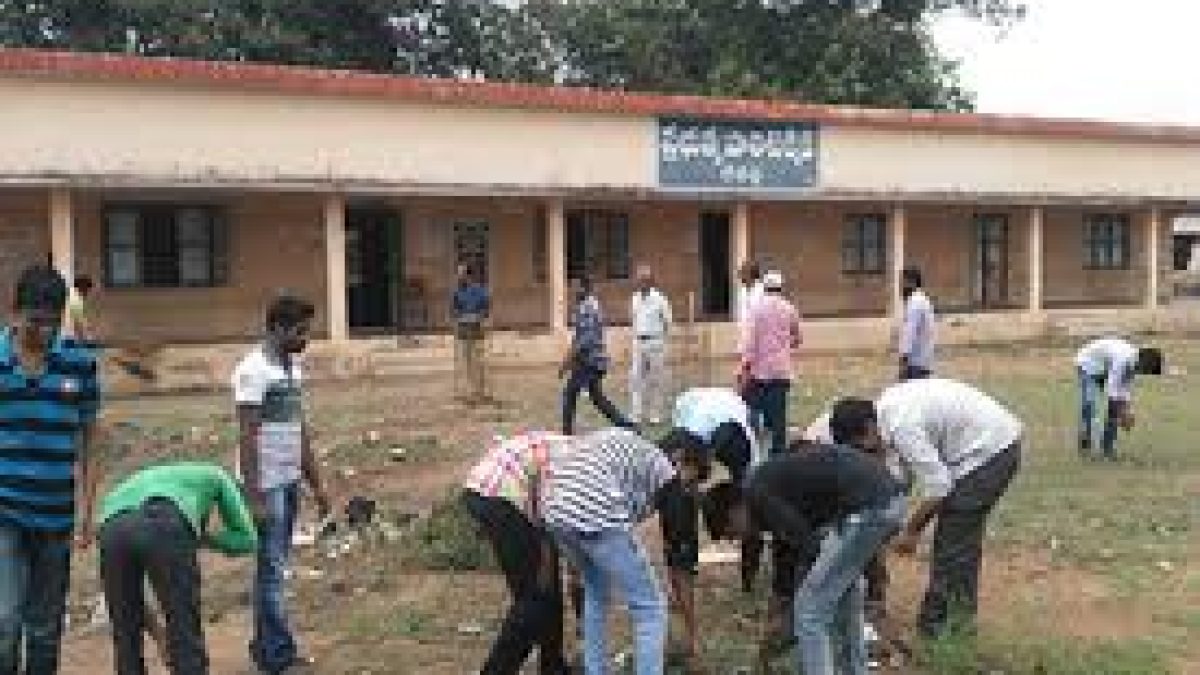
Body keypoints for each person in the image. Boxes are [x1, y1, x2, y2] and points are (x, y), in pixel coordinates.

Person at [701, 399, 906, 675]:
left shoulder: (758, 491)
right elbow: (791, 550)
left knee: (809, 612)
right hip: (883, 502)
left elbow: (807, 545)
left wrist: (791, 604)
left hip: (869, 507)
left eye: (730, 532)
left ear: (734, 509)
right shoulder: (768, 492)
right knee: (845, 600)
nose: (738, 537)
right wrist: (782, 601)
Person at [0, 264, 101, 674]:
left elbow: (92, 441)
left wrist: (86, 512)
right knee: (5, 623)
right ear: (15, 313)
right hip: (4, 511)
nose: (44, 332)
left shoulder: (78, 363)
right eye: (35, 322)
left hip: (56, 515)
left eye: (52, 323)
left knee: (44, 630)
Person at [541, 428, 697, 675]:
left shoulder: (633, 455)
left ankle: (596, 669)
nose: (687, 488)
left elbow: (627, 523)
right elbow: (674, 530)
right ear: (679, 458)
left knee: (596, 590)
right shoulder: (661, 465)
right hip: (592, 511)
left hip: (554, 511)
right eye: (692, 478)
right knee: (650, 608)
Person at [233, 292, 331, 674]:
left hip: (287, 480)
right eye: (299, 332)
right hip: (267, 486)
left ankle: (269, 648)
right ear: (276, 328)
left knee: (275, 568)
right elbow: (247, 434)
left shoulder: (291, 370)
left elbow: (298, 429)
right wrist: (254, 494)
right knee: (271, 571)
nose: (305, 339)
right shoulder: (252, 371)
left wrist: (317, 484)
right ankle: (277, 656)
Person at [877, 378, 1022, 637]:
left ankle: (943, 628)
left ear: (868, 432)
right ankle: (956, 619)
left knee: (953, 541)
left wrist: (911, 531)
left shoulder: (901, 427)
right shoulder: (886, 409)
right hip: (991, 439)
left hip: (990, 452)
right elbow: (903, 474)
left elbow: (938, 487)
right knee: (960, 541)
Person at [98, 462, 258, 674]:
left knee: (125, 632)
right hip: (166, 521)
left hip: (112, 528)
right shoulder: (218, 476)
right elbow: (247, 539)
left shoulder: (140, 481)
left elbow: (134, 603)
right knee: (184, 629)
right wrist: (207, 539)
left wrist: (161, 637)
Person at [461, 431, 575, 675]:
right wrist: (551, 554)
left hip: (484, 489)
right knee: (536, 596)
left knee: (547, 588)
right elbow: (547, 512)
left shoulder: (569, 450)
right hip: (498, 497)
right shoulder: (574, 463)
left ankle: (553, 665)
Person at [739, 270, 801, 455]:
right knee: (779, 417)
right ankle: (778, 454)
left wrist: (745, 366)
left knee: (752, 410)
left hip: (759, 371)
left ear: (765, 288)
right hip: (781, 371)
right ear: (781, 288)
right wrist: (783, 346)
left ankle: (753, 449)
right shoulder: (790, 308)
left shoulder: (756, 309)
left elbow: (750, 341)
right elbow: (798, 338)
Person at [559, 277, 631, 434]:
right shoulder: (587, 305)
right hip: (589, 360)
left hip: (590, 361)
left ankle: (566, 432)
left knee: (570, 393)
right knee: (597, 398)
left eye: (576, 287)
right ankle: (626, 425)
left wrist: (567, 361)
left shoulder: (588, 308)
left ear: (585, 289)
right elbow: (580, 336)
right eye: (571, 286)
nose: (572, 290)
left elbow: (584, 340)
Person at [1074, 337, 1163, 460]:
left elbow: (1124, 389)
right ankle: (1085, 444)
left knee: (1114, 410)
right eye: (1146, 371)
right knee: (1089, 404)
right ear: (1143, 364)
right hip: (1088, 364)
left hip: (1106, 367)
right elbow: (1112, 390)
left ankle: (1107, 449)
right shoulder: (1122, 359)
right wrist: (1123, 414)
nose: (1144, 373)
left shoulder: (1134, 364)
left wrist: (1127, 411)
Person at [629, 264, 673, 425]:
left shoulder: (660, 299)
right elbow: (633, 320)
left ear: (650, 281)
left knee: (656, 380)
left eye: (644, 280)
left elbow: (668, 321)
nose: (640, 282)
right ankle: (636, 415)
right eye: (639, 279)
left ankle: (655, 415)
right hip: (638, 342)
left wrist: (662, 342)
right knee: (635, 379)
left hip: (656, 342)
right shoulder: (634, 298)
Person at [452, 263, 492, 404]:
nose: (458, 276)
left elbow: (486, 310)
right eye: (458, 273)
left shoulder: (480, 291)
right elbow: (454, 311)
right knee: (466, 363)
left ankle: (479, 392)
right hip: (463, 332)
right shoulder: (457, 292)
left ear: (468, 275)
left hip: (476, 331)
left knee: (478, 362)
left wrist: (478, 318)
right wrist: (458, 321)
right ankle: (469, 392)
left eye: (461, 274)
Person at [898, 267, 935, 381]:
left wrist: (904, 356)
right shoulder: (922, 299)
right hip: (924, 358)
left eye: (903, 283)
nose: (901, 287)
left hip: (916, 361)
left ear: (912, 282)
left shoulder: (915, 301)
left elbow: (910, 331)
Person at [64, 274, 96, 341]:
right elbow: (76, 323)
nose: (88, 292)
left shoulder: (77, 299)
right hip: (70, 336)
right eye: (87, 289)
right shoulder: (75, 300)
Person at [735, 260, 765, 326]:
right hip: (744, 328)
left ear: (751, 274)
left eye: (743, 272)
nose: (740, 275)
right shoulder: (741, 291)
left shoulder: (762, 291)